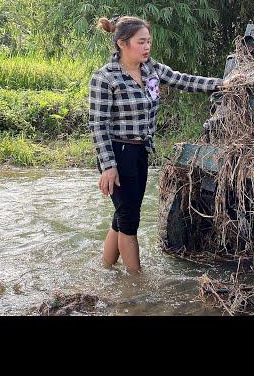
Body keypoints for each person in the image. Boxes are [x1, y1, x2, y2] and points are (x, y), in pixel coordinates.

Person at [89, 15, 224, 274]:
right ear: (122, 43)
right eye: (141, 42)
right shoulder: (105, 78)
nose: (147, 47)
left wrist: (223, 85)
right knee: (129, 220)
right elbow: (98, 125)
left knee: (123, 215)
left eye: (149, 41)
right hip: (118, 153)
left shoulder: (151, 69)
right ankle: (135, 284)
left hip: (140, 151)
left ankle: (104, 270)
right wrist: (108, 166)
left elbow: (185, 80)